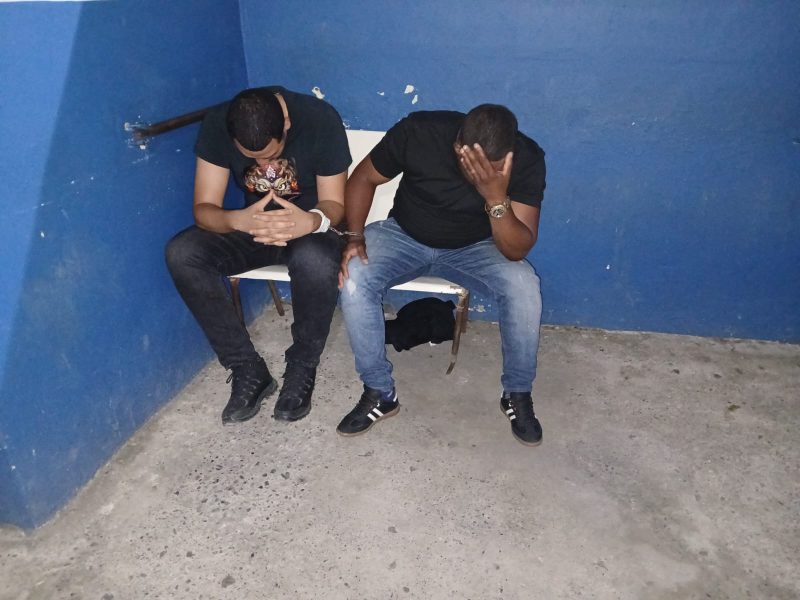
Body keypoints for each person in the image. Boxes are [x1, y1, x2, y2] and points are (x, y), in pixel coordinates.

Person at [336, 104, 546, 446]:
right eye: (472, 164)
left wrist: (495, 197)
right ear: (457, 146)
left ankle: (517, 393)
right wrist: (354, 236)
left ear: (508, 156)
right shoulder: (420, 131)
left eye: (491, 168)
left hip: (477, 247)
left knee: (524, 287)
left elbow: (515, 250)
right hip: (404, 236)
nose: (479, 174)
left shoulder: (526, 157)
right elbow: (363, 178)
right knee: (355, 275)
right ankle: (380, 393)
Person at [166, 86, 350, 425]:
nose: (264, 165)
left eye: (271, 153)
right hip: (254, 225)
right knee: (183, 253)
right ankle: (246, 368)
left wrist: (310, 221)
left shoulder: (320, 119)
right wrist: (236, 220)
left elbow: (335, 205)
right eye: (252, 157)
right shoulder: (218, 122)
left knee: (313, 260)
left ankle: (302, 366)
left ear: (286, 123)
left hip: (312, 226)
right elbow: (204, 209)